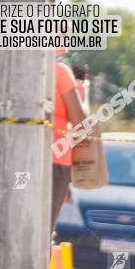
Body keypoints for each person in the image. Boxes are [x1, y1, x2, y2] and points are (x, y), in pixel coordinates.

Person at [52, 53, 87, 234]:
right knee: (44, 227)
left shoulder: (13, 70)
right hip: (55, 163)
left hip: (19, 162)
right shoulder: (60, 72)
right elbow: (81, 124)